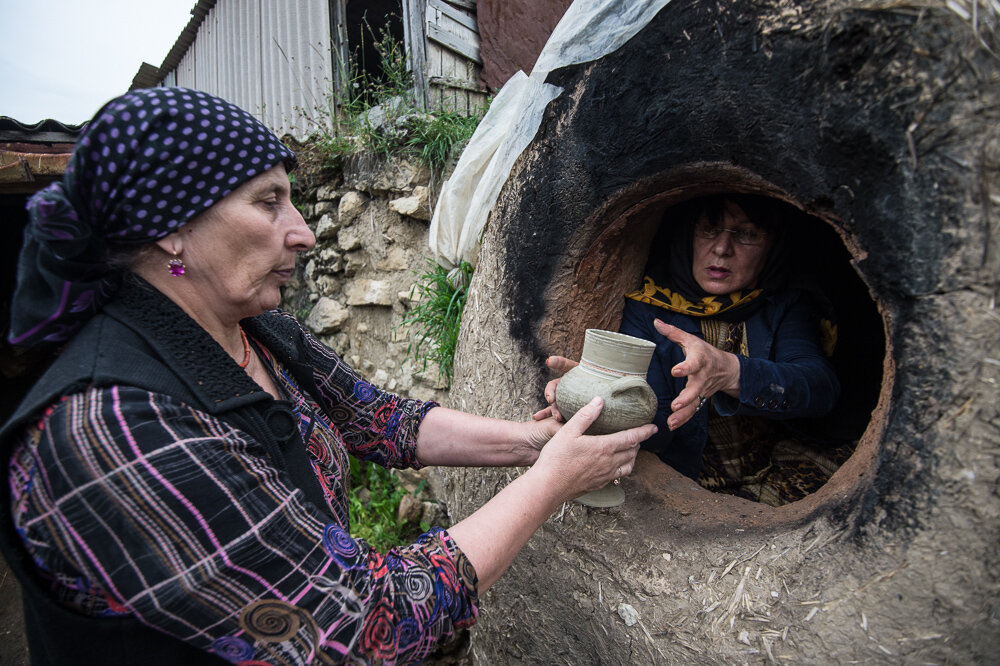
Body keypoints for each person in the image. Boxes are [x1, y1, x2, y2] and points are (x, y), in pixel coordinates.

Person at [0, 87, 655, 666]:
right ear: (172, 229)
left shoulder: (251, 329)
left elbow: (379, 422)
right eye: (268, 203)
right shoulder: (112, 430)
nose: (305, 232)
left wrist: (533, 442)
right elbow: (372, 624)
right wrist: (552, 481)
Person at [539, 195, 840, 504]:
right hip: (693, 480)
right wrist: (595, 400)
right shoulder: (650, 309)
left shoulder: (783, 304)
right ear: (688, 235)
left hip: (774, 466)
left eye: (747, 234)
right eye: (709, 230)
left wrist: (730, 371)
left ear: (772, 247)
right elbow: (655, 418)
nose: (722, 248)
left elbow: (820, 388)